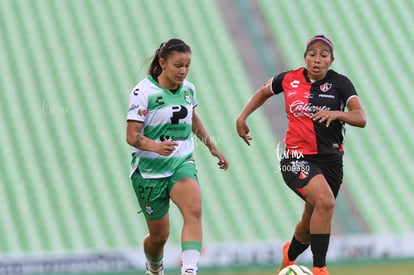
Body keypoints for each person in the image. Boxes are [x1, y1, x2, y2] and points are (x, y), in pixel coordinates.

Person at [236, 35, 366, 275]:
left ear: (331, 60)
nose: (317, 59)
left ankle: (290, 255)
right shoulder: (288, 79)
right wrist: (242, 117)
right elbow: (263, 92)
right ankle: (319, 268)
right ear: (305, 57)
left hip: (331, 162)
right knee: (325, 202)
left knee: (309, 221)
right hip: (296, 159)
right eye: (312, 54)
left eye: (323, 55)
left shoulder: (341, 84)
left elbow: (361, 118)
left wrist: (337, 114)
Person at [126, 38, 229, 275]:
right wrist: (155, 147)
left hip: (181, 162)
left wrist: (212, 147)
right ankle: (154, 268)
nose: (183, 71)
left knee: (193, 209)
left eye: (187, 65)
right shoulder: (143, 92)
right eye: (177, 65)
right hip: (149, 172)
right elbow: (131, 136)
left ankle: (189, 270)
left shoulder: (188, 89)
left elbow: (192, 118)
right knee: (159, 236)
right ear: (162, 63)